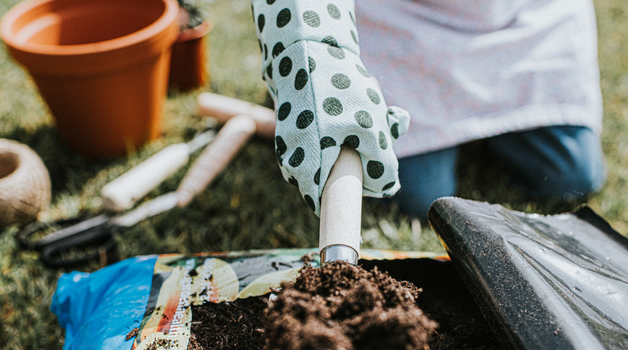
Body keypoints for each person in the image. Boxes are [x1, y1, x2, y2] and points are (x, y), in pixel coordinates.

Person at [250, 0, 606, 219]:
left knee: (569, 179)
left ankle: (480, 123)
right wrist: (314, 53)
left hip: (517, 19)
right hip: (400, 18)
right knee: (420, 198)